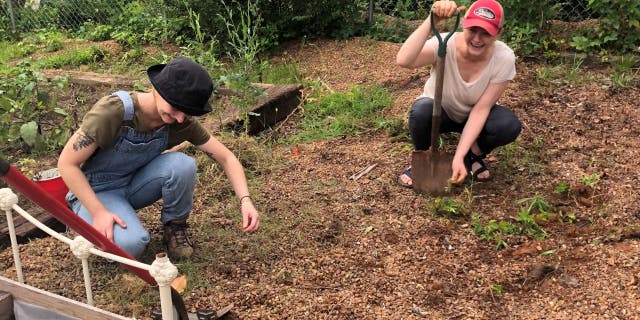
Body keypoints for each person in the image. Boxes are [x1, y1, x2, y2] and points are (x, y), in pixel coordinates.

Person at [58, 56, 260, 259]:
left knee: (183, 165)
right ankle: (95, 221)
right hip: (95, 192)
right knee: (133, 245)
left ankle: (175, 228)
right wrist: (98, 212)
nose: (180, 118)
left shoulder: (180, 122)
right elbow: (67, 164)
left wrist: (245, 201)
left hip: (133, 185)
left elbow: (226, 157)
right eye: (175, 107)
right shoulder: (114, 111)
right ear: (157, 89)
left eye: (187, 112)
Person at [396, 0, 521, 188]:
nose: (477, 39)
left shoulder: (504, 58)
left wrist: (459, 156)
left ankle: (474, 154)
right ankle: (423, 156)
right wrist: (432, 20)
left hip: (473, 117)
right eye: (473, 30)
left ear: (499, 33)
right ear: (463, 24)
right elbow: (404, 60)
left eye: (486, 33)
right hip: (440, 114)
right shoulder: (444, 43)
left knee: (507, 125)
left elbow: (481, 109)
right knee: (421, 110)